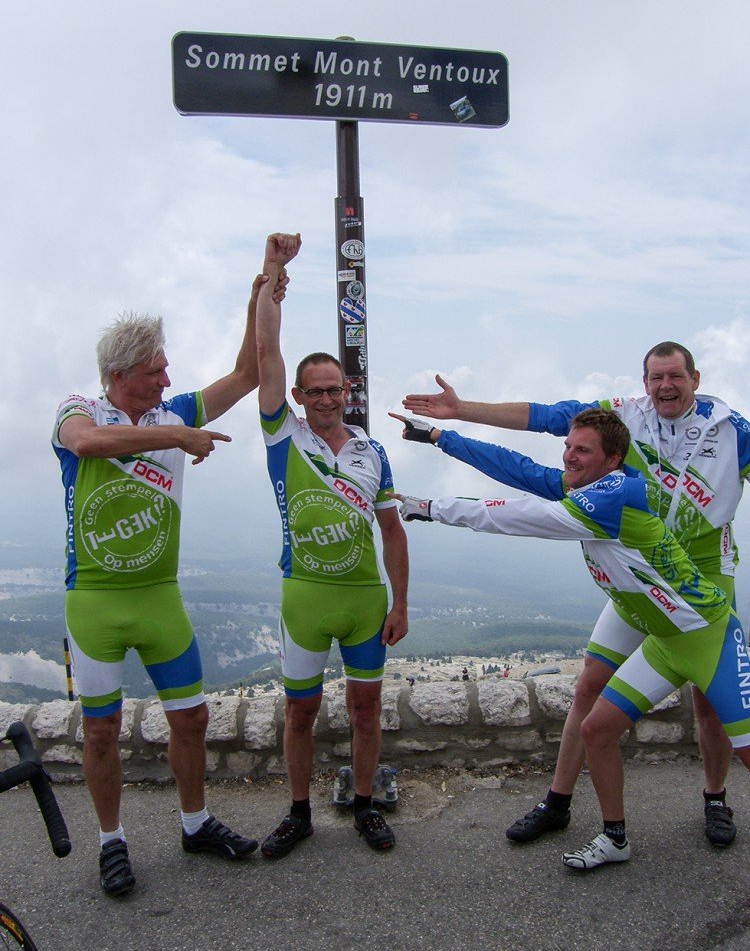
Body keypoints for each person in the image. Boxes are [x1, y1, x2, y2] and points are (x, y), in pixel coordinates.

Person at [402, 343, 750, 847]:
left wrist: (431, 501)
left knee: (709, 703)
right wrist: (455, 418)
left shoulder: (732, 430)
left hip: (700, 588)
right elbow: (542, 424)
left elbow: (527, 508)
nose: (665, 386)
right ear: (644, 380)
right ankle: (557, 803)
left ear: (695, 378)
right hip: (635, 582)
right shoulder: (622, 422)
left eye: (676, 376)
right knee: (588, 686)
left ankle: (715, 798)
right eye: (656, 377)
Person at [52, 263, 288, 896]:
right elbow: (86, 443)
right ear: (119, 376)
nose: (167, 379)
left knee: (191, 718)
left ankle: (195, 822)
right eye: (155, 370)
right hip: (95, 602)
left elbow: (244, 375)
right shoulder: (83, 408)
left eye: (166, 368)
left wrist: (259, 291)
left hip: (160, 599)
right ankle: (111, 842)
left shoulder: (171, 409)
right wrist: (177, 435)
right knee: (101, 730)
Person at [256, 232, 409, 858]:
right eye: (313, 390)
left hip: (365, 599)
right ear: (298, 397)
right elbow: (266, 352)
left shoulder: (373, 454)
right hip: (305, 599)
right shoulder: (284, 440)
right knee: (300, 715)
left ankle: (366, 805)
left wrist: (400, 603)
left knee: (367, 711)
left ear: (347, 391)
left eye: (333, 389)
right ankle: (298, 813)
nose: (324, 399)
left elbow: (393, 531)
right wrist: (272, 275)